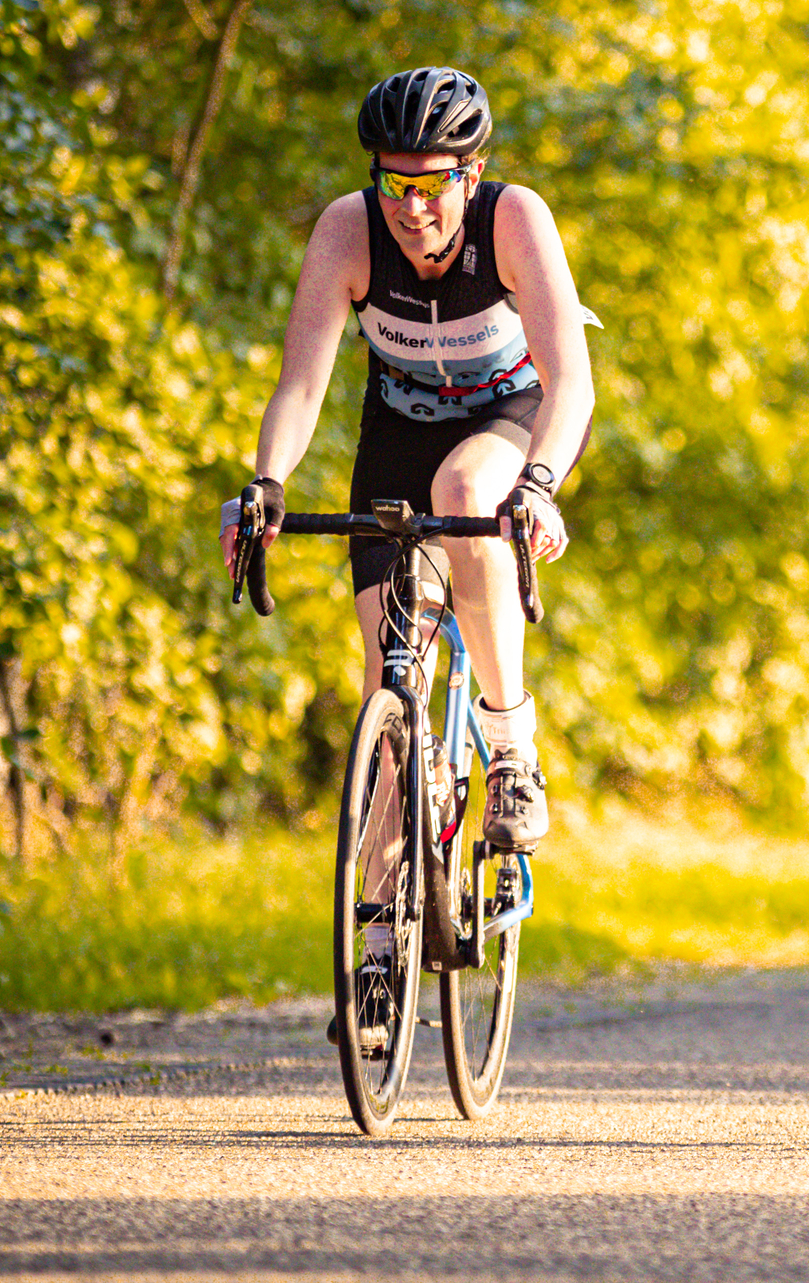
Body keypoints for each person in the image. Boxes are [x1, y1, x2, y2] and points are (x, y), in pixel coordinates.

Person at [222, 64, 596, 856]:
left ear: (473, 174)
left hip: (516, 422)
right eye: (395, 186)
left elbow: (573, 381)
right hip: (400, 432)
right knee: (390, 681)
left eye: (432, 187)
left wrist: (540, 487)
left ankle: (509, 751)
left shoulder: (515, 220)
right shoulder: (347, 231)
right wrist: (266, 484)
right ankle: (384, 938)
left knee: (466, 488)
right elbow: (300, 385)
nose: (412, 209)